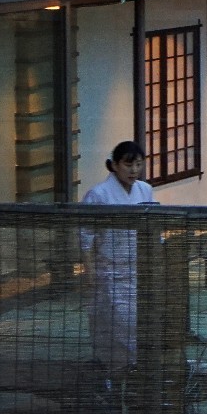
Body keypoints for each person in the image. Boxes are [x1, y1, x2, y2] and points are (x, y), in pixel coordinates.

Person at [80, 140, 155, 382]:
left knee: (137, 325)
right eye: (128, 164)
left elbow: (153, 227)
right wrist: (89, 269)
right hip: (109, 270)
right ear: (114, 165)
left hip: (137, 268)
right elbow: (86, 235)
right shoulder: (99, 194)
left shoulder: (145, 190)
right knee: (113, 325)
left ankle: (134, 375)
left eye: (139, 165)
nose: (134, 170)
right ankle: (112, 376)